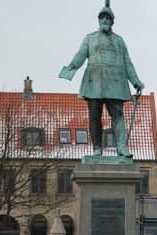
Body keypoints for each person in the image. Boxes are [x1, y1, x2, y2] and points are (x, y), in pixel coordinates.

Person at [61, 0, 144, 157]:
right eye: (102, 18)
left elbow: (128, 63)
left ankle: (121, 147)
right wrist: (71, 67)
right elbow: (80, 55)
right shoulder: (90, 38)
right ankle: (97, 149)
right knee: (94, 116)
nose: (104, 20)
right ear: (99, 20)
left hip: (116, 81)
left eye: (107, 18)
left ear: (112, 21)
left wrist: (135, 81)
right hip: (94, 81)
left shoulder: (119, 41)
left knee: (118, 115)